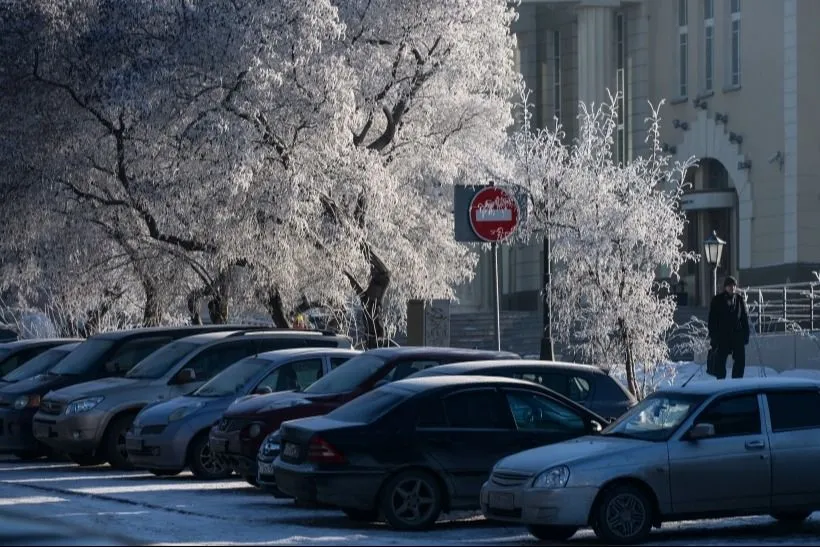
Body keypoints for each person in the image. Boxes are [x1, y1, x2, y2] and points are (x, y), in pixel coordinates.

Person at [707, 275, 750, 379]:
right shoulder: (717, 300)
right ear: (725, 287)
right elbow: (712, 321)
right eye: (730, 285)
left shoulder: (739, 300)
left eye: (734, 286)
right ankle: (721, 383)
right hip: (722, 336)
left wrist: (745, 335)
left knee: (740, 360)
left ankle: (736, 382)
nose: (732, 288)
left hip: (737, 336)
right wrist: (714, 337)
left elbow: (744, 319)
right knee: (720, 363)